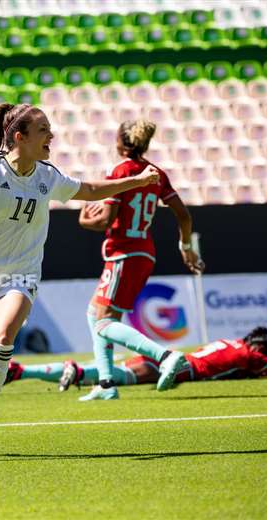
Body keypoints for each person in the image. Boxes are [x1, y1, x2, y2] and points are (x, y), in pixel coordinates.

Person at [0, 103, 163, 456]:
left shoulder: (47, 175)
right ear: (20, 137)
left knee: (1, 340)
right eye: (43, 130)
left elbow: (88, 190)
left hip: (20, 274)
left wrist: (134, 181)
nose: (51, 136)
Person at [76, 119, 204, 401]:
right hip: (143, 252)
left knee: (104, 321)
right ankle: (107, 383)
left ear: (121, 141)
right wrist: (185, 246)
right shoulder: (155, 173)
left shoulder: (120, 171)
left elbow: (106, 220)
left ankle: (166, 356)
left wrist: (85, 220)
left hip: (123, 252)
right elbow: (184, 215)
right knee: (95, 313)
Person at [4, 327, 267, 389]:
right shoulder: (248, 355)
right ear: (261, 348)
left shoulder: (232, 343)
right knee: (106, 375)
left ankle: (21, 372)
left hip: (171, 361)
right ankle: (60, 371)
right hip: (179, 369)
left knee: (102, 371)